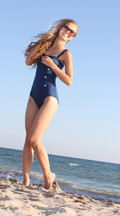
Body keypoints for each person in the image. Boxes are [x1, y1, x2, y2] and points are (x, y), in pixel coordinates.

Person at [23, 19, 78, 189]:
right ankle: (25, 181)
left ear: (72, 37)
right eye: (66, 28)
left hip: (50, 97)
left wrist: (53, 66)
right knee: (27, 140)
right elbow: (28, 61)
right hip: (34, 95)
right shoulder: (45, 45)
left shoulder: (66, 54)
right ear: (60, 27)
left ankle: (48, 174)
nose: (67, 32)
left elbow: (69, 81)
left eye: (72, 32)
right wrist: (39, 45)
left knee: (34, 139)